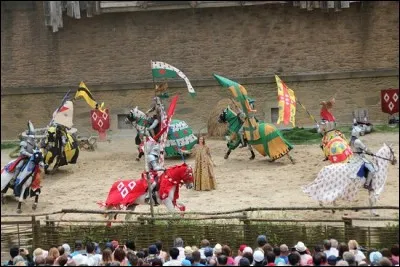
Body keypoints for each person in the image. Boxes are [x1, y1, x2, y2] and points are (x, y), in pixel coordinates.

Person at [349, 126, 377, 191]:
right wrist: (370, 153)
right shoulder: (357, 141)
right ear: (356, 133)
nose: (359, 133)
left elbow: (356, 149)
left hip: (353, 158)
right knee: (372, 170)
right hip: (360, 158)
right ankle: (367, 184)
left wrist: (363, 151)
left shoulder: (351, 140)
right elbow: (365, 148)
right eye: (358, 132)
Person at [8, 122, 36, 187]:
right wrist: (29, 154)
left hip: (32, 158)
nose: (33, 138)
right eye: (31, 136)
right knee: (19, 166)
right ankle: (13, 179)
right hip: (24, 157)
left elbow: (36, 149)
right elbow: (22, 151)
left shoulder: (34, 142)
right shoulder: (24, 142)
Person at [144, 138, 166, 204]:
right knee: (154, 183)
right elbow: (155, 167)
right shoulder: (151, 157)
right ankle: (148, 196)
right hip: (149, 173)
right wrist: (162, 168)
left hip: (154, 173)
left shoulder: (155, 157)